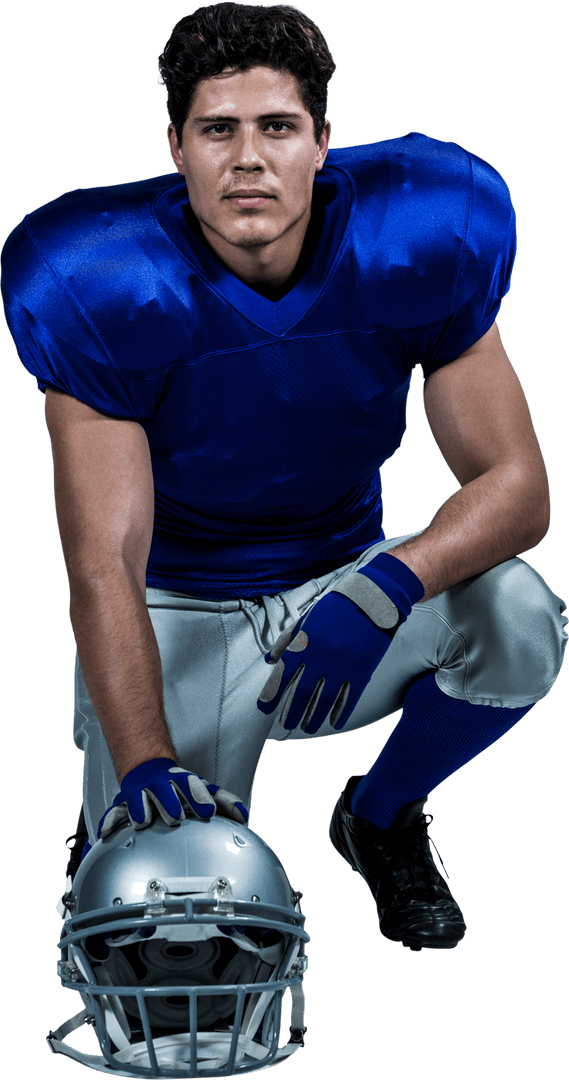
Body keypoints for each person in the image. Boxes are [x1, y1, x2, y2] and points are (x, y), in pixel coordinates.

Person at [1, 3, 566, 954]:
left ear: (321, 144)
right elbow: (104, 559)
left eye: (277, 127)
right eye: (218, 130)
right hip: (178, 607)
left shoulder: (426, 226)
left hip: (342, 584)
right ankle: (104, 820)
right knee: (174, 924)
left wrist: (390, 583)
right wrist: (143, 760)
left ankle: (379, 821)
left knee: (516, 622)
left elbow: (518, 486)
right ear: (176, 147)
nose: (248, 158)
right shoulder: (96, 276)